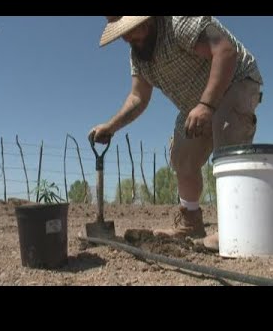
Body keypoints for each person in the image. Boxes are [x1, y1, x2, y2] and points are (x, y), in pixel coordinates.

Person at [89, 16, 263, 251]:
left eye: (132, 28)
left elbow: (225, 52)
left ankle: (235, 226)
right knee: (181, 156)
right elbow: (138, 97)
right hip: (196, 103)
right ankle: (190, 222)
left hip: (236, 81)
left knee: (227, 138)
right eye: (123, 33)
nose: (128, 37)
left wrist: (206, 105)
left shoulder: (179, 21)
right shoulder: (138, 55)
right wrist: (111, 126)